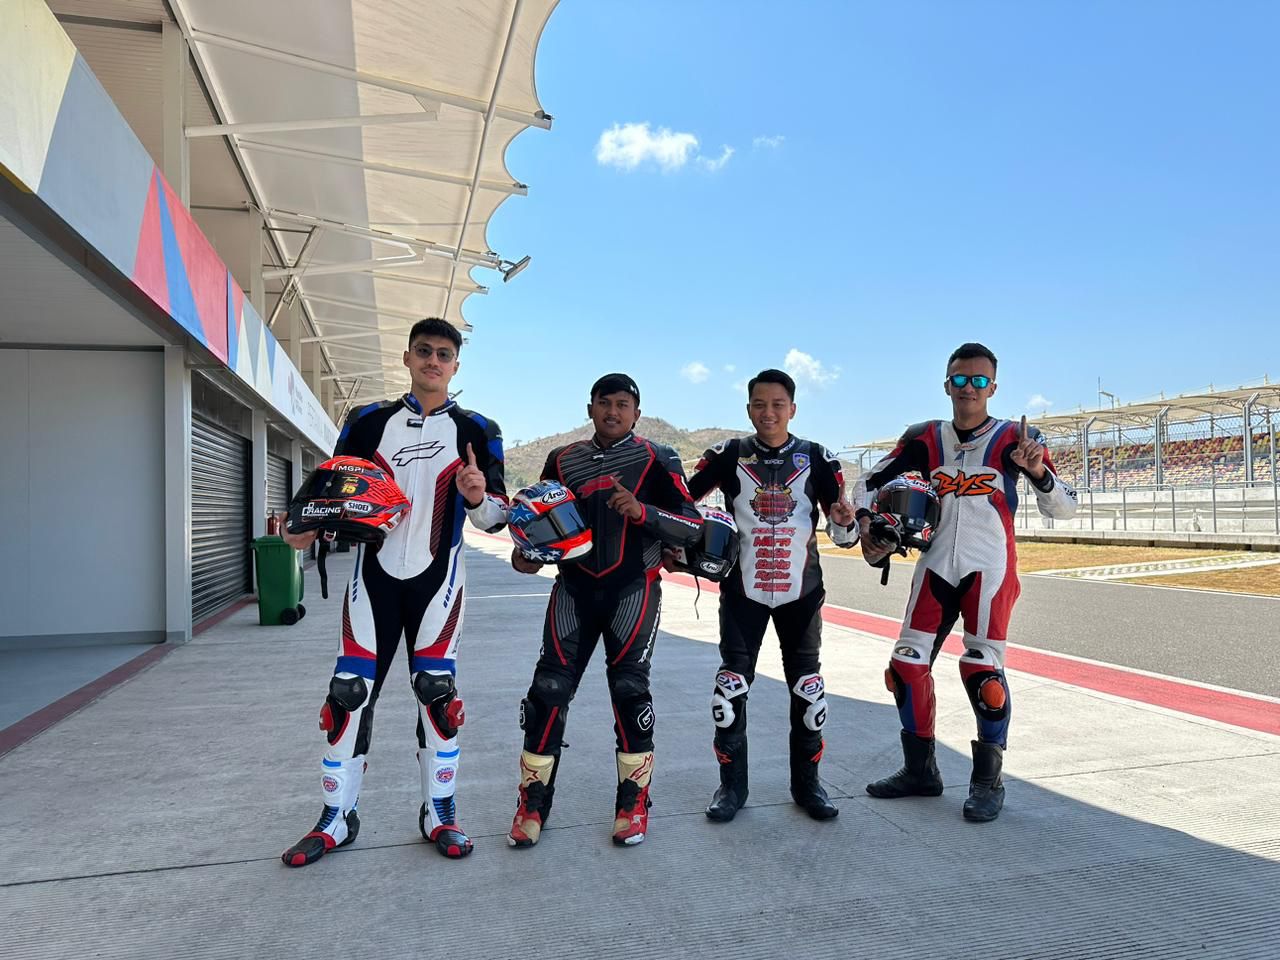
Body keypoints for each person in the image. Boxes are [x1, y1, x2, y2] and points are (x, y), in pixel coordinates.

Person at [279, 317, 507, 866]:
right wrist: (302, 526)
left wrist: (478, 496)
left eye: (444, 354)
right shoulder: (367, 421)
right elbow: (329, 487)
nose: (433, 361)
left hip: (439, 583)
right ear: (407, 357)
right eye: (424, 351)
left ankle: (440, 813)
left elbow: (497, 518)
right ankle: (336, 817)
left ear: (456, 365)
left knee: (437, 694)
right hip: (372, 581)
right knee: (347, 694)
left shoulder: (479, 428)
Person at [855, 342, 1078, 821]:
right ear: (946, 385)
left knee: (983, 671)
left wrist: (1037, 469)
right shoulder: (923, 438)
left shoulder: (1016, 438)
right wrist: (867, 525)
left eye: (979, 381)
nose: (968, 388)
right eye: (960, 379)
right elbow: (867, 483)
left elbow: (1065, 507)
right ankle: (920, 771)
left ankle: (987, 782)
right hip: (935, 565)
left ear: (993, 388)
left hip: (990, 568)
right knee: (905, 666)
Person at [507, 373, 703, 848]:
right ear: (590, 408)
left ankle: (633, 804)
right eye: (604, 403)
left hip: (633, 590)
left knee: (631, 692)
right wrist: (526, 554)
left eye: (622, 404)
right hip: (572, 590)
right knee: (547, 692)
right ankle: (532, 804)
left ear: (637, 412)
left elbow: (692, 525)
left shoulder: (658, 456)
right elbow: (541, 526)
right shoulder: (562, 459)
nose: (613, 411)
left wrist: (643, 512)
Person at [681, 368, 858, 823]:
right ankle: (731, 788)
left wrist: (844, 522)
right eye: (760, 404)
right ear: (748, 409)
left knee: (809, 692)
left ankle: (808, 786)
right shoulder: (727, 454)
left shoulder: (818, 457)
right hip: (743, 592)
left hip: (803, 593)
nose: (769, 413)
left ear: (792, 409)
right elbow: (681, 501)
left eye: (778, 405)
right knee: (728, 693)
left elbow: (845, 535)